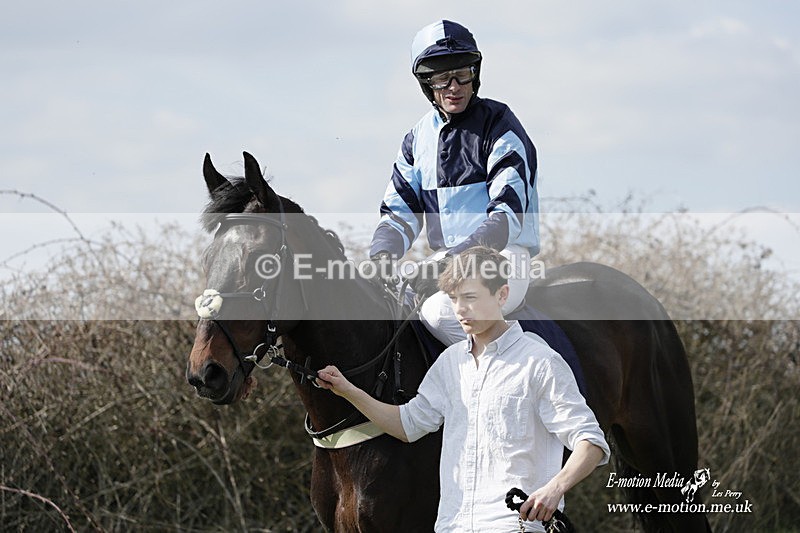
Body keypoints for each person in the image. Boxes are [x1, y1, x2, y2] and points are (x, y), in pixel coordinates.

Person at [318, 247, 609, 533]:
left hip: (515, 526)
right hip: (452, 525)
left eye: (470, 297)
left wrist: (554, 489)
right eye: (454, 298)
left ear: (502, 295)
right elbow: (408, 424)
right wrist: (348, 390)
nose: (459, 309)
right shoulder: (450, 363)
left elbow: (590, 442)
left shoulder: (540, 361)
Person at [369, 20, 540, 346]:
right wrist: (382, 256)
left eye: (462, 74)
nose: (454, 86)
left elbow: (507, 215)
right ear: (425, 84)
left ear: (475, 73)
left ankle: (498, 386)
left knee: (441, 314)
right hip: (446, 258)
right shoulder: (417, 139)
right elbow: (398, 213)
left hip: (503, 254)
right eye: (441, 78)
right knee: (387, 310)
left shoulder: (500, 124)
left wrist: (453, 260)